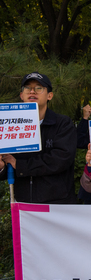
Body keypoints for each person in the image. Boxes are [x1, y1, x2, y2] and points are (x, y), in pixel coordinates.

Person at [0, 72, 77, 204]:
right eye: (27, 88)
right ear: (21, 96)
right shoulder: (9, 125)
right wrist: (2, 167)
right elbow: (9, 164)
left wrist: (21, 165)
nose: (32, 91)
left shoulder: (63, 123)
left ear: (49, 95)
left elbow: (61, 159)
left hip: (57, 203)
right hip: (23, 203)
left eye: (39, 88)